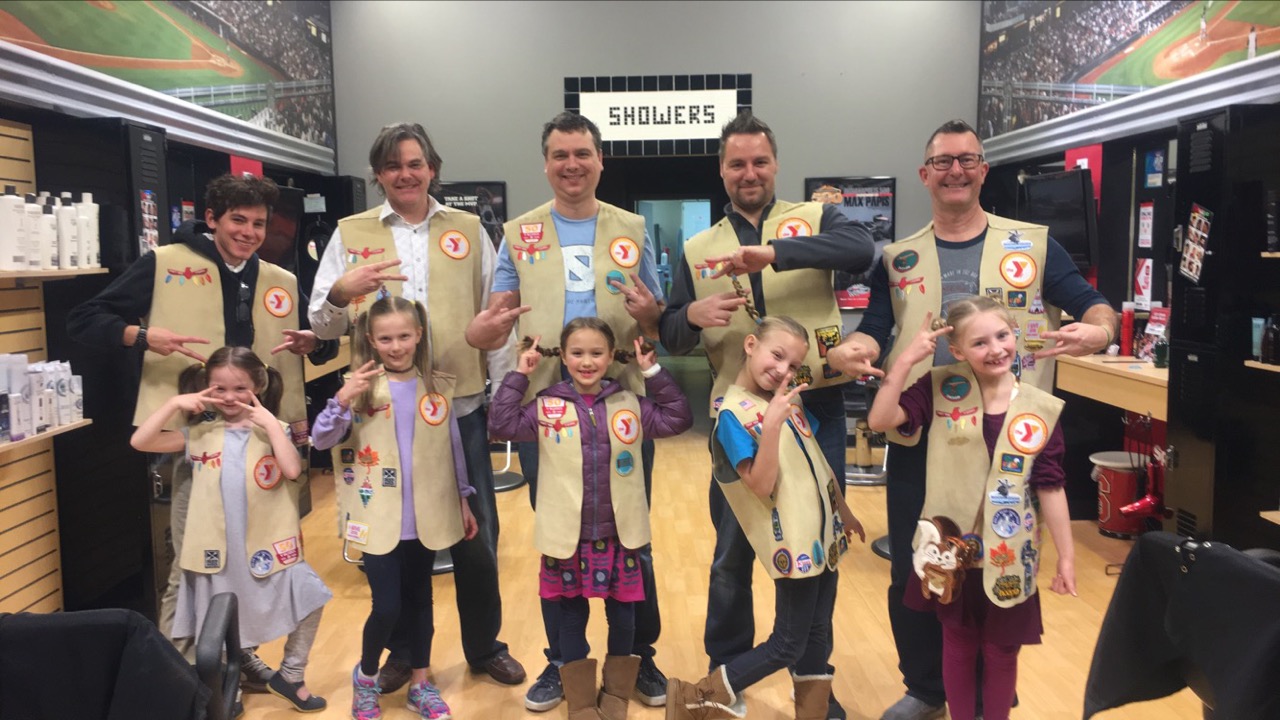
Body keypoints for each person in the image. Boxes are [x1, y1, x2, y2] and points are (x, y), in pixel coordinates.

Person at [828, 119, 1115, 720]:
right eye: (943, 161)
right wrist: (851, 350)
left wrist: (1100, 327)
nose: (955, 170)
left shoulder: (1033, 245)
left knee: (1002, 558)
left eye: (967, 159)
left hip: (1007, 438)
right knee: (919, 562)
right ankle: (929, 686)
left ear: (983, 170)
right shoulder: (898, 257)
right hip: (921, 432)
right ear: (924, 174)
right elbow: (876, 333)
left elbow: (1091, 304)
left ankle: (991, 687)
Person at [67, 173, 332, 689]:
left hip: (264, 438)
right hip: (196, 439)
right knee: (191, 564)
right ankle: (174, 678)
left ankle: (240, 655)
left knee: (258, 555)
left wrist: (313, 344)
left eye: (259, 223)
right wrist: (142, 335)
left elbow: (313, 346)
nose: (249, 232)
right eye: (238, 220)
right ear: (211, 219)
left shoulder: (280, 278)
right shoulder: (166, 264)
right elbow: (84, 319)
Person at [657, 112, 876, 720]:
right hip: (738, 424)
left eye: (758, 162)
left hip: (816, 410)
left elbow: (863, 249)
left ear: (775, 165)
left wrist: (773, 253)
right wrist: (690, 315)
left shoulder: (815, 219)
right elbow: (671, 334)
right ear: (722, 171)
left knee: (821, 544)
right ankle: (727, 678)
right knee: (731, 555)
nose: (748, 173)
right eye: (736, 163)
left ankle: (813, 684)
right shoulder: (700, 247)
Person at [308, 122, 524, 691]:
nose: (406, 174)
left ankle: (484, 646)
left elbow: (496, 317)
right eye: (393, 166)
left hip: (462, 406)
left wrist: (504, 397)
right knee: (399, 538)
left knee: (476, 538)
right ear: (378, 174)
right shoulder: (350, 233)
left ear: (433, 167)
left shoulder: (471, 229)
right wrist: (339, 291)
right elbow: (322, 324)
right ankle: (404, 654)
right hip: (381, 411)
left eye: (416, 163)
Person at [465, 111, 668, 711]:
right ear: (546, 163)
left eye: (582, 153)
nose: (572, 164)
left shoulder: (631, 226)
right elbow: (495, 315)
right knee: (558, 535)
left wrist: (651, 313)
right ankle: (564, 662)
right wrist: (482, 330)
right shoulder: (521, 232)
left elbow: (654, 312)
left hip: (620, 402)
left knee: (633, 531)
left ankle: (639, 660)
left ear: (600, 160)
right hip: (544, 403)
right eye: (560, 155)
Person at [866, 297, 1077, 720]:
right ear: (958, 351)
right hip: (949, 551)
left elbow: (1051, 487)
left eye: (1002, 335)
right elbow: (880, 419)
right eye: (979, 343)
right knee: (958, 643)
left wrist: (1067, 556)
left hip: (1010, 555)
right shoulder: (940, 387)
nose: (995, 349)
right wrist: (906, 361)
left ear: (1014, 332)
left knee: (1002, 651)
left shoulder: (1039, 408)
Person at [489, 317, 692, 720]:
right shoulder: (547, 405)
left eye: (596, 353)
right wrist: (519, 375)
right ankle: (579, 698)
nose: (586, 361)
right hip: (568, 537)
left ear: (611, 357)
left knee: (623, 614)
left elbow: (678, 417)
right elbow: (499, 424)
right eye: (577, 353)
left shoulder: (629, 404)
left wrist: (650, 370)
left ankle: (616, 694)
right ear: (562, 357)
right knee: (569, 615)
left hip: (619, 536)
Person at [666, 316, 864, 720]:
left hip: (821, 535)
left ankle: (814, 707)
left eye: (793, 366)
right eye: (777, 356)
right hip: (793, 544)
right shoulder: (732, 416)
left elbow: (817, 464)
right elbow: (759, 483)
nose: (783, 371)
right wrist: (771, 425)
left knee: (818, 628)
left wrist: (845, 511)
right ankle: (696, 695)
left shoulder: (787, 403)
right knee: (787, 643)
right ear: (752, 345)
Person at [130, 346, 331, 714]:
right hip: (216, 551)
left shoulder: (275, 430)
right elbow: (140, 441)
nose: (229, 397)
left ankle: (291, 673)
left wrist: (270, 423)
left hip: (268, 547)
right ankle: (229, 684)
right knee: (219, 621)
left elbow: (291, 470)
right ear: (206, 388)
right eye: (218, 388)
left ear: (258, 384)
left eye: (240, 388)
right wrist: (175, 402)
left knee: (311, 597)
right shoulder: (201, 434)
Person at [311, 297, 479, 720]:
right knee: (386, 605)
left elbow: (452, 448)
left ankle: (420, 684)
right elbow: (321, 440)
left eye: (405, 336)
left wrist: (463, 498)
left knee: (421, 600)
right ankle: (365, 678)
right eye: (386, 338)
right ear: (371, 340)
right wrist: (341, 401)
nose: (397, 345)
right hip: (377, 516)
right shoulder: (359, 386)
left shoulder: (436, 386)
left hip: (427, 514)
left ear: (419, 335)